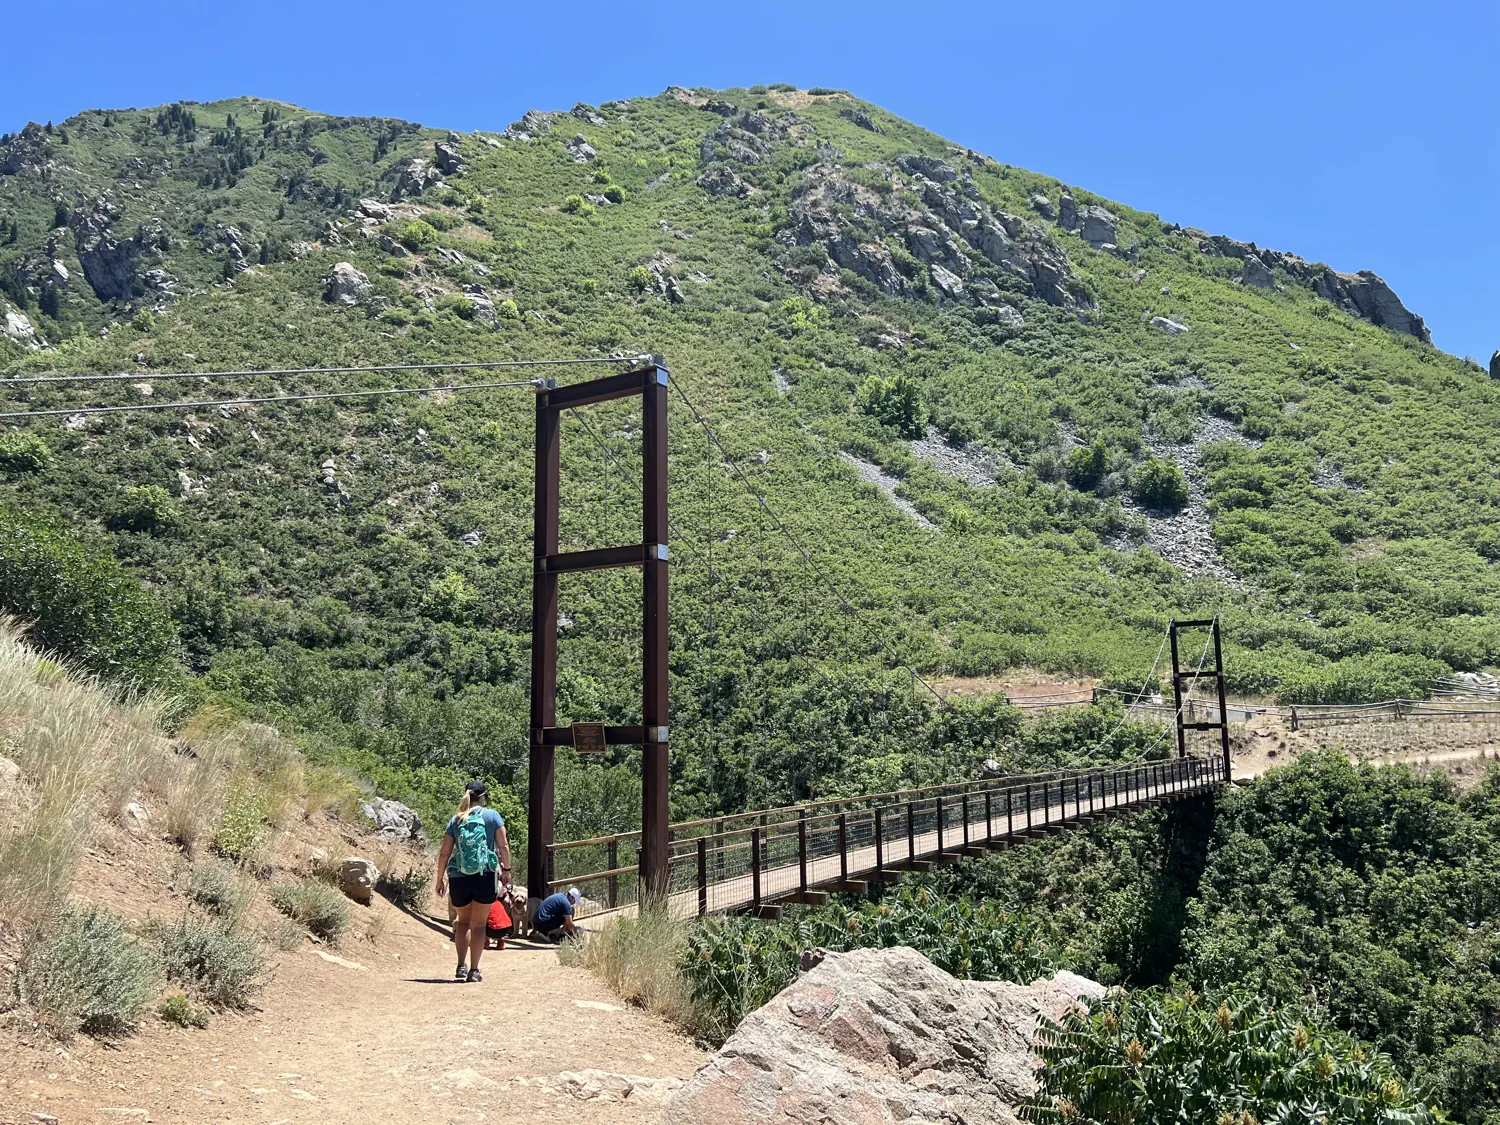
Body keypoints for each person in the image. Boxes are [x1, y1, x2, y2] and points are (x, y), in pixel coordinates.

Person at [434, 780, 512, 982]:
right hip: (484, 875)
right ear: (484, 796)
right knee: (479, 925)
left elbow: (445, 852)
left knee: (462, 923)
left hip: (459, 877)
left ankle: (461, 966)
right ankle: (474, 970)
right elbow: (503, 846)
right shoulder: (492, 816)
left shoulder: (456, 819)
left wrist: (440, 879)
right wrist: (507, 869)